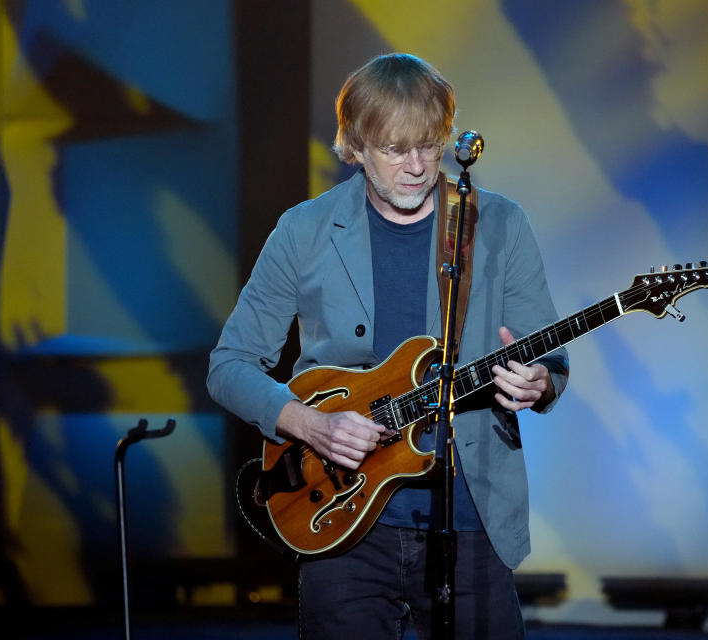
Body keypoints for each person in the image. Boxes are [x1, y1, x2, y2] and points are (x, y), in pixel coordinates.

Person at [207, 52, 568, 640]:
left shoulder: (500, 225)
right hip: (340, 521)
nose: (418, 166)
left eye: (429, 145)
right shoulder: (304, 229)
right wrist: (306, 423)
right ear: (354, 146)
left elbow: (548, 359)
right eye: (395, 149)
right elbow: (229, 366)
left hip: (471, 516)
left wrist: (541, 381)